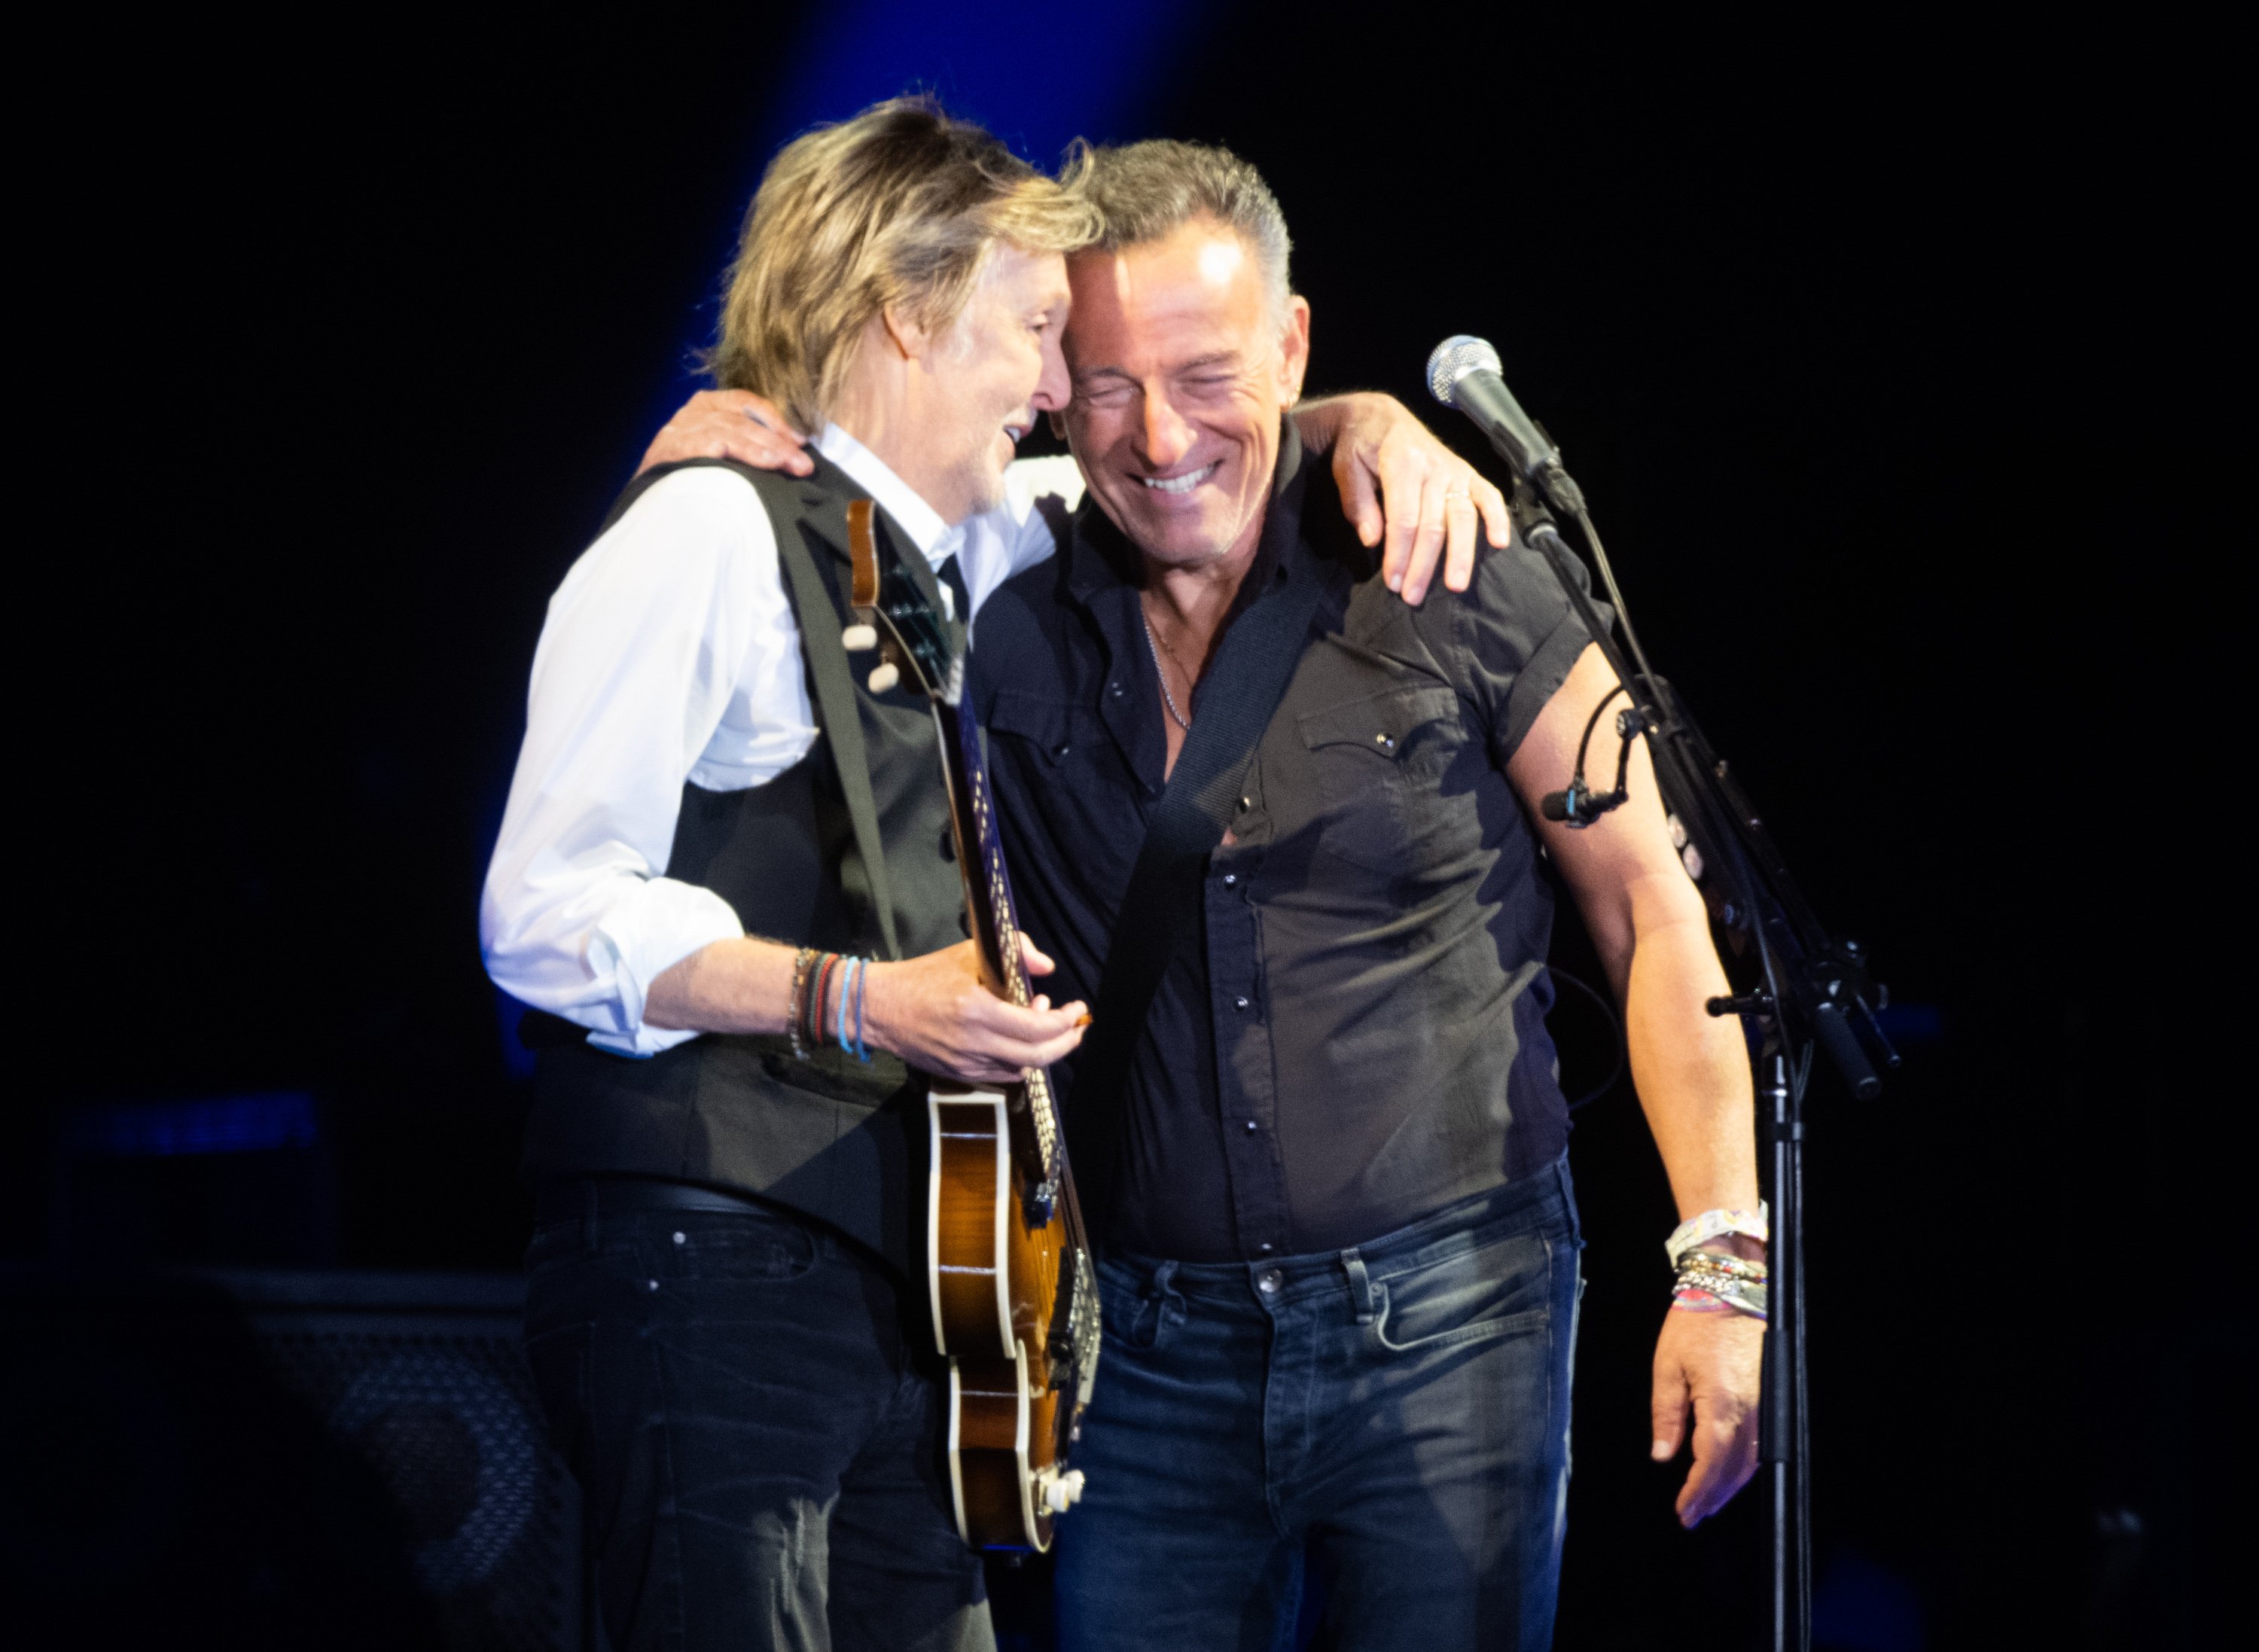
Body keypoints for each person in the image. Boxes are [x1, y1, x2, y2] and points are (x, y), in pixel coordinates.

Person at [660, 139, 1766, 1650]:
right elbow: (823, 512)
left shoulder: (1453, 560)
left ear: (1297, 342)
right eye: (1108, 381)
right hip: (1140, 1348)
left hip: (1457, 1324)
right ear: (1051, 379)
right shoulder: (994, 572)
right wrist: (732, 456)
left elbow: (1652, 907)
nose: (1160, 435)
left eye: (1209, 373)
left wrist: (1724, 1261)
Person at [486, 101, 1502, 1652]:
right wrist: (859, 997)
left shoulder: (952, 552)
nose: (1057, 391)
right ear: (904, 314)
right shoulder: (703, 532)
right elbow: (541, 914)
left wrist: (1359, 415)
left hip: (899, 1298)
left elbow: (1174, 469)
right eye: (1034, 332)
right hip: (706, 1261)